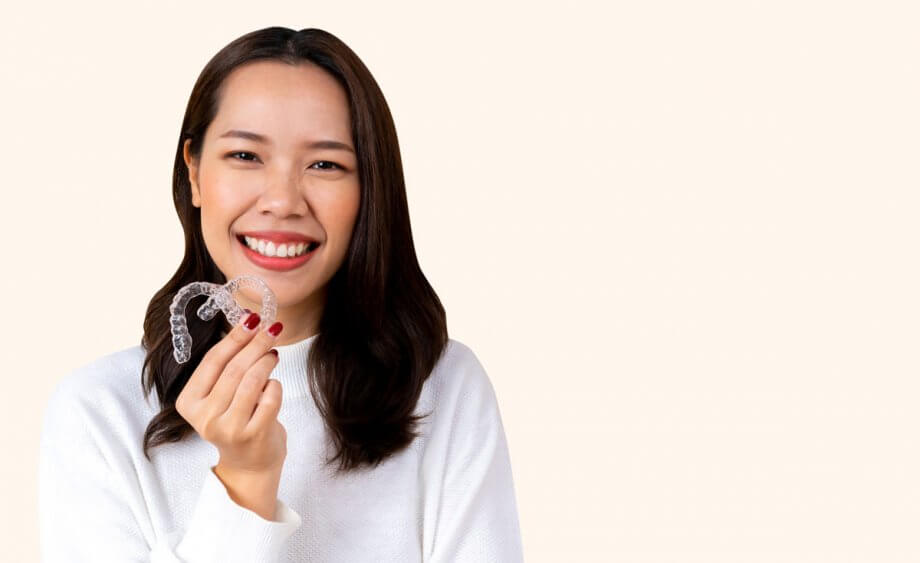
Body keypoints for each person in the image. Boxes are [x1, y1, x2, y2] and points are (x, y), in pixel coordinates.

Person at [38, 26, 524, 562]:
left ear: (369, 190)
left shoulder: (444, 388)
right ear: (194, 172)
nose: (282, 201)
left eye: (325, 164)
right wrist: (245, 482)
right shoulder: (100, 412)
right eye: (246, 156)